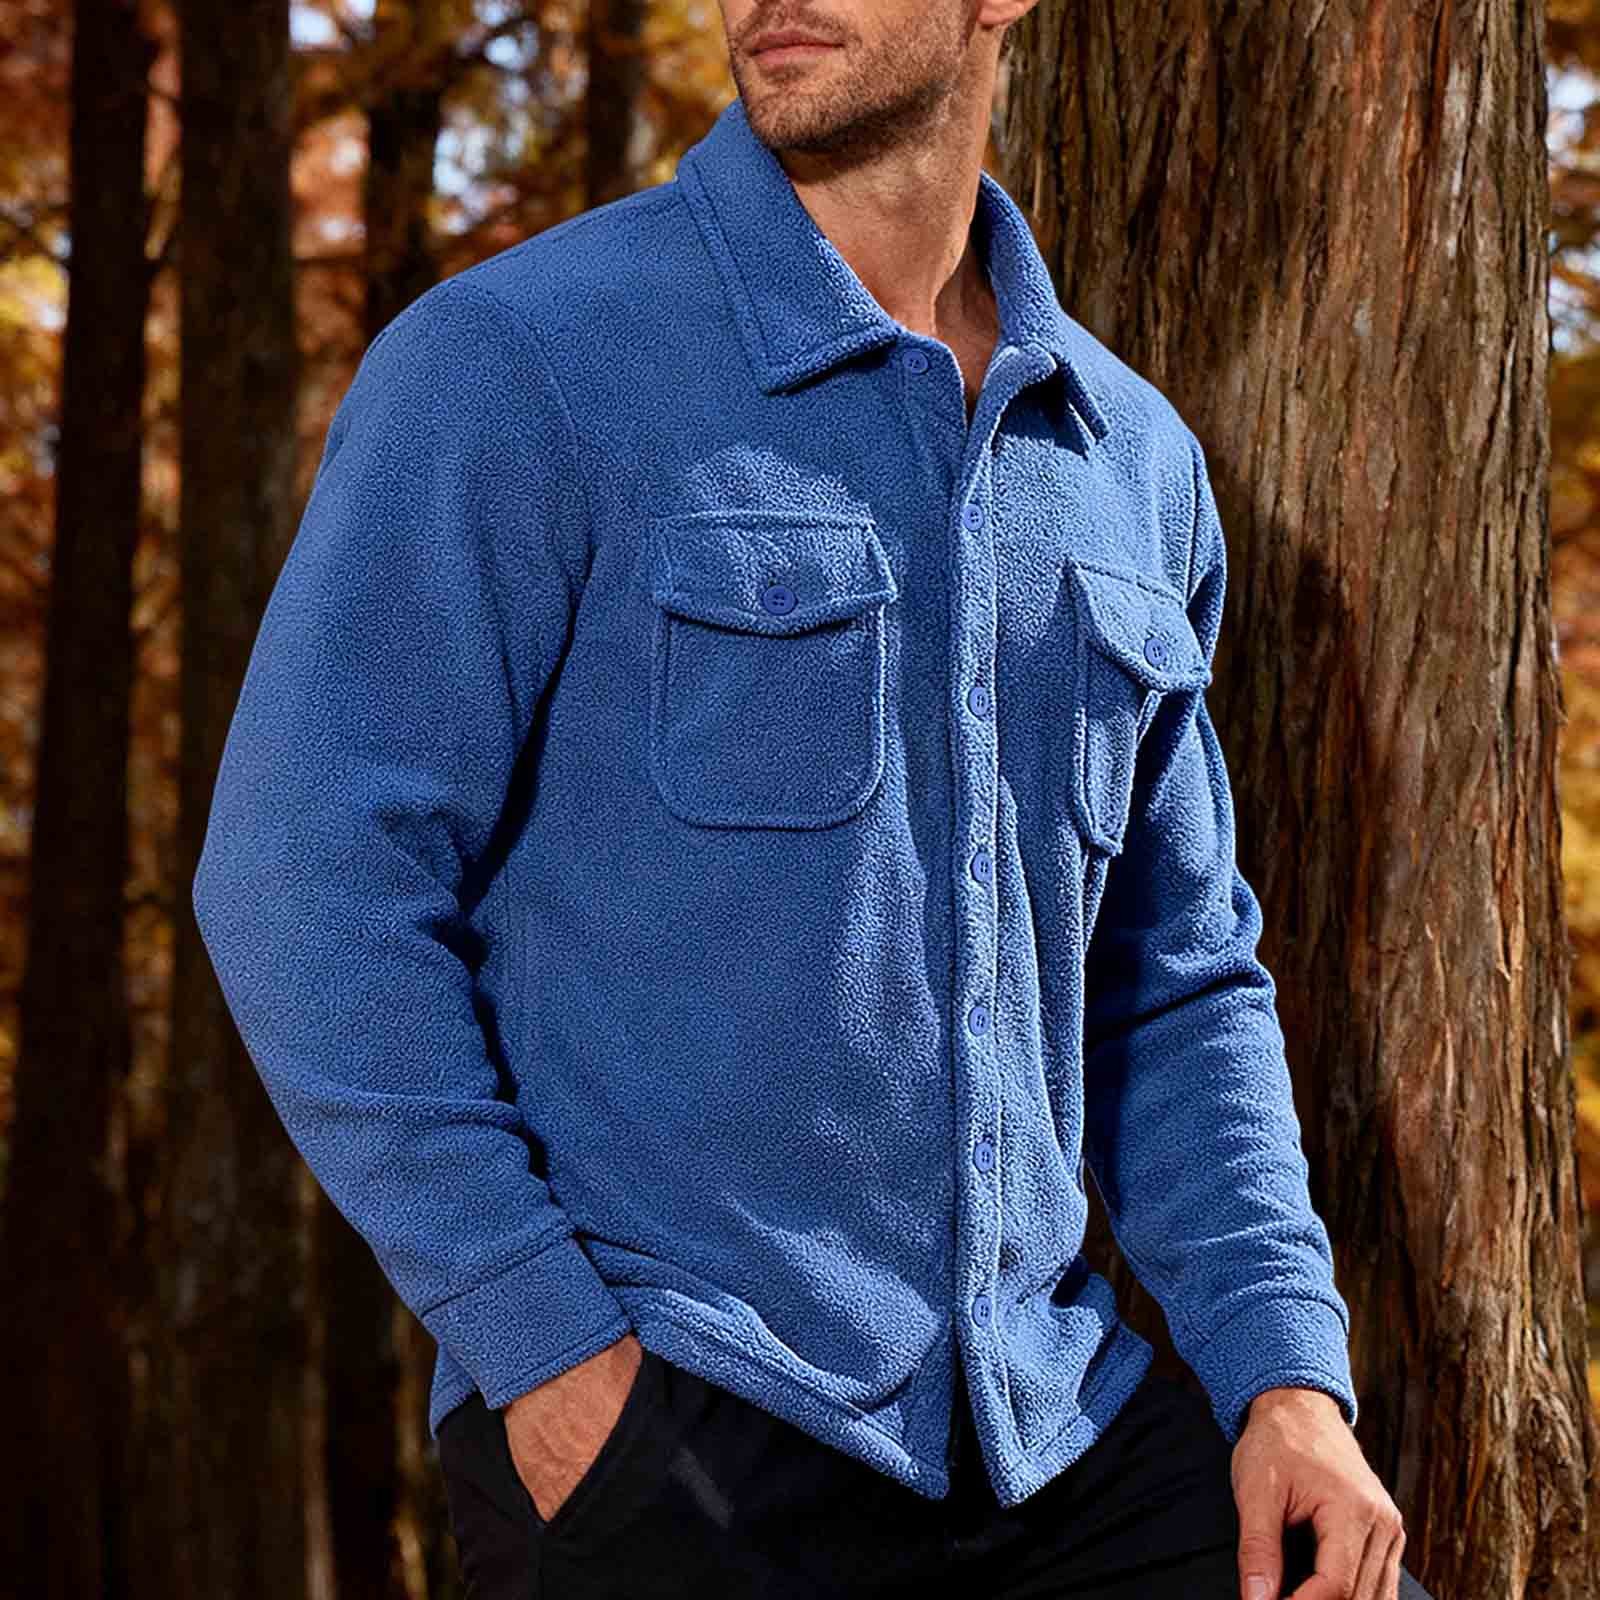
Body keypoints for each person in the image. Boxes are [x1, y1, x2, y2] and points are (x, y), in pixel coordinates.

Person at [192, 1, 1441, 1596]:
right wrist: (544, 1347)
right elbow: (304, 880)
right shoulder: (517, 362)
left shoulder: (1132, 463)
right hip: (678, 1413)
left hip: (1051, 1425)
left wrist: (1285, 1377)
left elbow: (1174, 982)